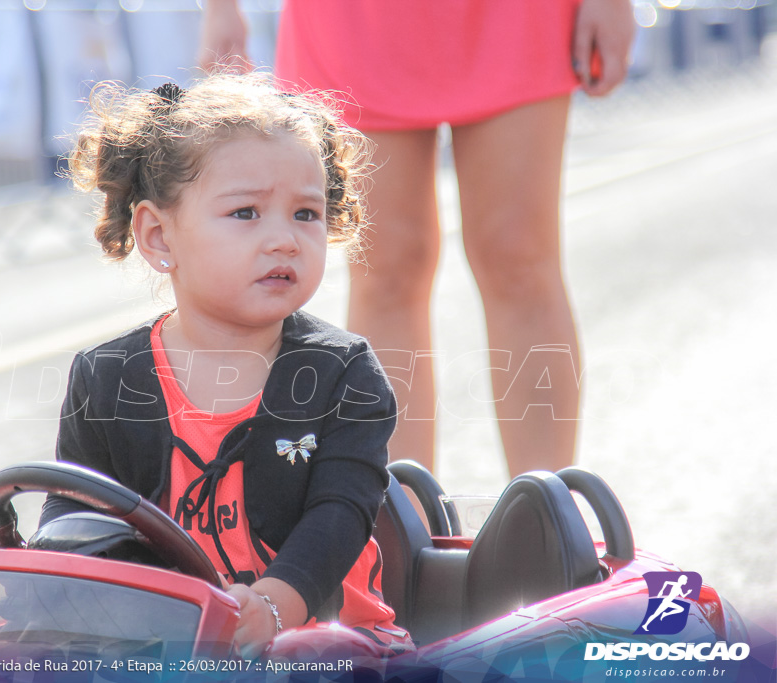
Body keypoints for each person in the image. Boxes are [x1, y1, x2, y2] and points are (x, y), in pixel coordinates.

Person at [40, 73, 412, 657]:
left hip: (335, 643)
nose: (285, 240)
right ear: (159, 236)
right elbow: (73, 512)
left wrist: (270, 606)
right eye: (246, 213)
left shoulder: (344, 373)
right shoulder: (107, 376)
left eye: (306, 214)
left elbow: (340, 513)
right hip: (169, 650)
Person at [200, 0, 635, 478]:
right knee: (386, 269)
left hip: (515, 15)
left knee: (519, 257)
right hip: (356, 17)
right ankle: (397, 515)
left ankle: (545, 515)